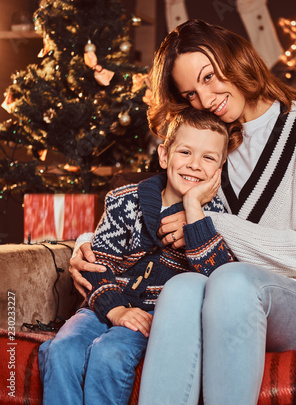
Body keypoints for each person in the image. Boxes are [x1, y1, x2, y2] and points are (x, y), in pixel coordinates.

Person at [69, 19, 296, 405]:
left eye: (209, 77)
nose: (206, 100)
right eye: (190, 94)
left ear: (234, 57)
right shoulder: (208, 143)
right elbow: (147, 201)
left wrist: (211, 222)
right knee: (183, 286)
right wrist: (85, 243)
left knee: (233, 282)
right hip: (225, 297)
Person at [38, 107, 235, 405]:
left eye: (208, 158)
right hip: (103, 303)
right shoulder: (124, 200)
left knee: (110, 354)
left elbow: (222, 279)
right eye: (185, 152)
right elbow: (95, 262)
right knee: (61, 348)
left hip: (155, 317)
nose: (195, 165)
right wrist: (116, 310)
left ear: (220, 168)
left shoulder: (216, 217)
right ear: (164, 155)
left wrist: (194, 209)